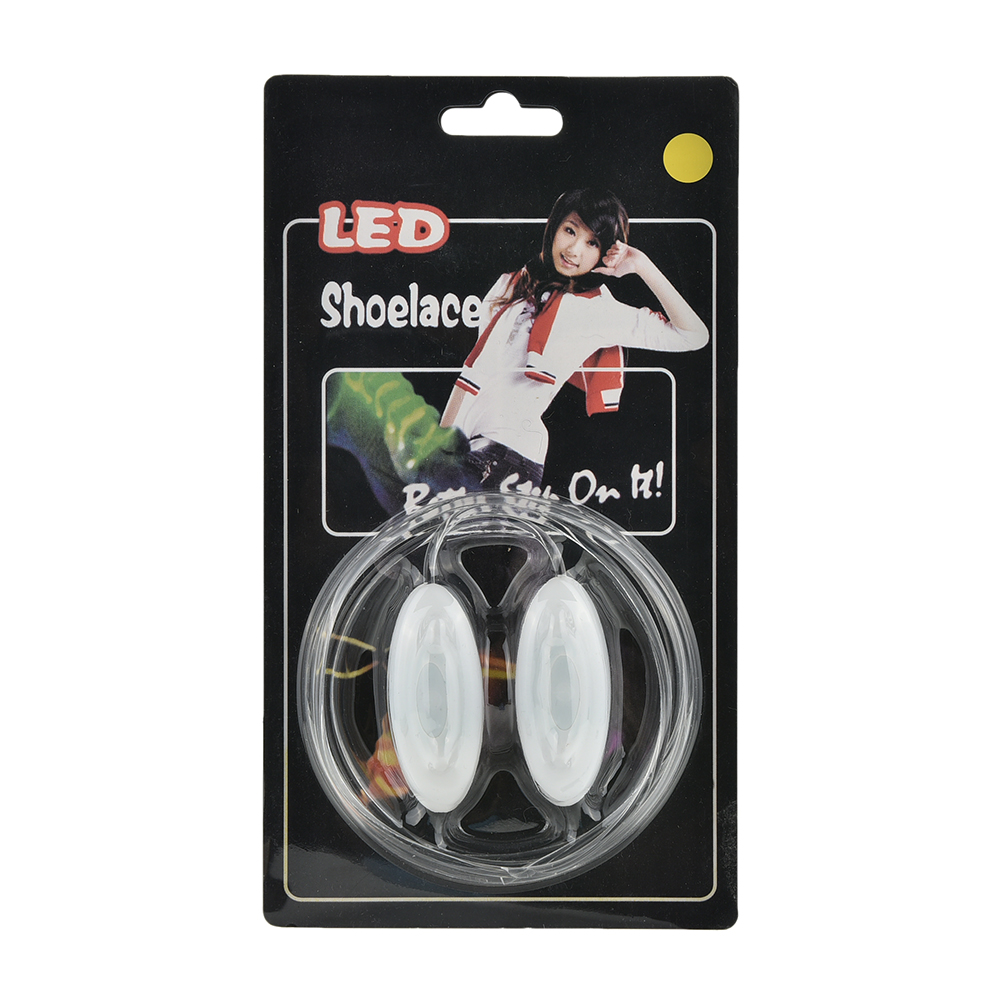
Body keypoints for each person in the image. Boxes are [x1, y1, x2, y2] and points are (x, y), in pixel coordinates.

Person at [440, 188, 709, 490]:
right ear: (553, 227)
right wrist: (442, 449)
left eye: (592, 242)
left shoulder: (595, 309)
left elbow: (693, 336)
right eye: (570, 230)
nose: (574, 250)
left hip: (510, 453)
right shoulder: (509, 285)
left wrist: (642, 265)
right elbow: (476, 373)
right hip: (472, 446)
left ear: (605, 251)